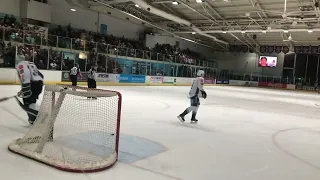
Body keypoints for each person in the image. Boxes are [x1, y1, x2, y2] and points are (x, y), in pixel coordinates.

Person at [16, 60, 44, 125]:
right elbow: (41, 76)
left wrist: (26, 88)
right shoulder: (31, 64)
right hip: (39, 84)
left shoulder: (20, 64)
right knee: (31, 101)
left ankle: (36, 117)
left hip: (32, 85)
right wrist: (23, 89)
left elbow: (25, 73)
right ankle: (33, 118)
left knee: (27, 103)